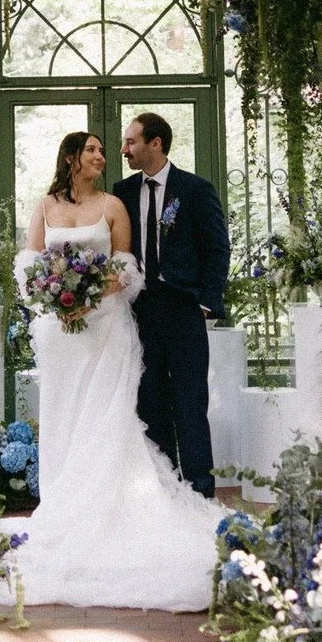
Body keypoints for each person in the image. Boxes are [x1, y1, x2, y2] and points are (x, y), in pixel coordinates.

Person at [9, 128, 221, 610]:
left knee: (131, 412)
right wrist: (54, 298)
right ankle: (63, 504)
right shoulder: (45, 205)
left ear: (155, 142)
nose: (108, 155)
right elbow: (29, 265)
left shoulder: (115, 204)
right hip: (61, 334)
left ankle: (173, 497)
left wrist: (86, 297)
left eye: (114, 146)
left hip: (106, 326)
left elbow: (126, 268)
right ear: (70, 158)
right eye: (95, 149)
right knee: (67, 414)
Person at [115, 113, 230, 499]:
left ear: (156, 144)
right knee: (151, 402)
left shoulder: (195, 189)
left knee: (190, 404)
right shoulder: (123, 192)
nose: (124, 150)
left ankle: (200, 493)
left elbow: (217, 248)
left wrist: (206, 304)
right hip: (140, 311)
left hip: (183, 309)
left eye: (131, 142)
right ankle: (163, 492)